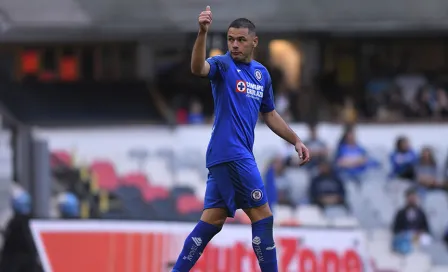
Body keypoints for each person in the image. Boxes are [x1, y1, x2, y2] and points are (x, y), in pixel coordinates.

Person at [172, 6, 310, 272]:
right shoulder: (222, 65)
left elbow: (269, 114)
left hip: (226, 156)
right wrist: (202, 33)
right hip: (232, 153)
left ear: (254, 42)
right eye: (230, 40)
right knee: (263, 216)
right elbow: (197, 67)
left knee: (212, 221)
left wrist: (296, 140)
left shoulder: (262, 74)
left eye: (240, 40)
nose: (234, 45)